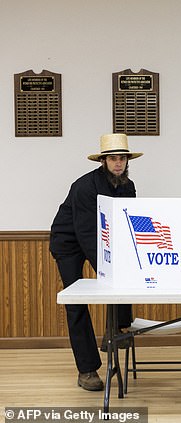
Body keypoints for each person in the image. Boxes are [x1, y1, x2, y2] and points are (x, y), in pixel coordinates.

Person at [50, 133, 143, 391]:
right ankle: (87, 369)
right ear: (103, 161)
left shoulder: (128, 186)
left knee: (122, 277)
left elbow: (126, 224)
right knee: (76, 301)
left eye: (122, 158)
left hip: (101, 239)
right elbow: (86, 234)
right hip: (70, 242)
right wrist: (108, 269)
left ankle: (115, 332)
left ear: (127, 161)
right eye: (113, 158)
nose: (118, 163)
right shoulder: (84, 187)